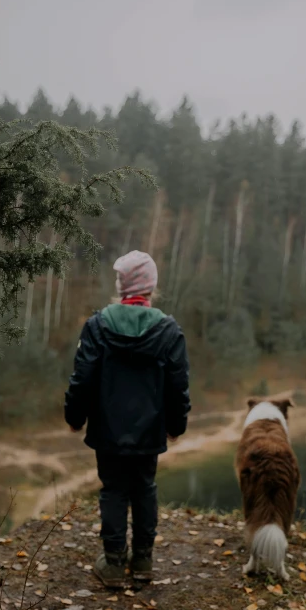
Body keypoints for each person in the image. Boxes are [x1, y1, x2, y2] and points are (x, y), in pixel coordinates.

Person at [64, 250, 191, 587]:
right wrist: (176, 425)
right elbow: (178, 385)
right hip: (150, 431)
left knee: (114, 490)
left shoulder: (97, 325)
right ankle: (144, 560)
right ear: (151, 288)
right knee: (145, 488)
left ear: (121, 286)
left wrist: (74, 416)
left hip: (107, 430)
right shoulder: (168, 330)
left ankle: (114, 563)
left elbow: (82, 378)